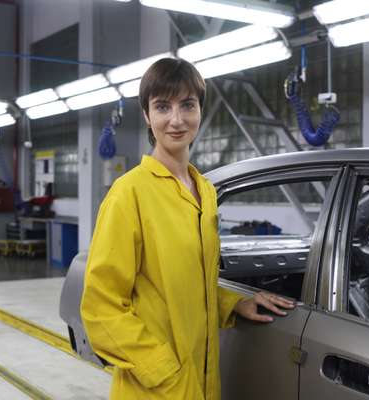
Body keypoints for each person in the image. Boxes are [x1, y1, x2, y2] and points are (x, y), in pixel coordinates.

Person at [80, 57, 295, 400]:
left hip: (203, 381)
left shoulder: (205, 191)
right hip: (156, 388)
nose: (177, 120)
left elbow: (189, 283)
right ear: (148, 116)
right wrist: (163, 371)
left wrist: (233, 303)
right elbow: (101, 309)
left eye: (187, 105)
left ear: (199, 111)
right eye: (163, 106)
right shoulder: (130, 192)